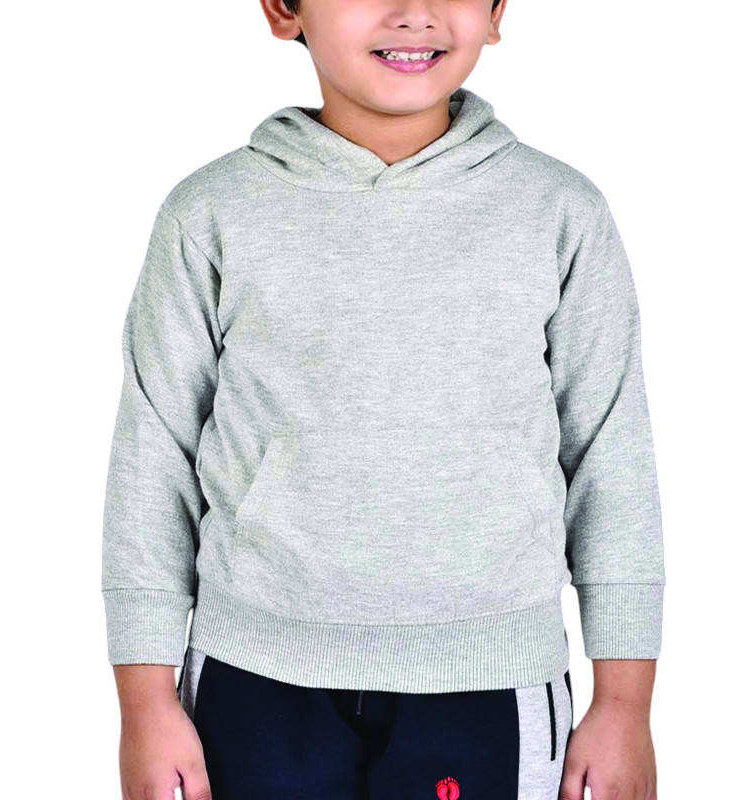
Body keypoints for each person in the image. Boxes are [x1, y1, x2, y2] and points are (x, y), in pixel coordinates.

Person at [102, 1, 665, 798]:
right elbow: (153, 455)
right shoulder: (211, 213)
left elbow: (611, 455)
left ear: (497, 12)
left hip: (490, 684)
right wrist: (144, 703)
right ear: (284, 10)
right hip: (252, 681)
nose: (414, 13)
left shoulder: (559, 212)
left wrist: (625, 705)